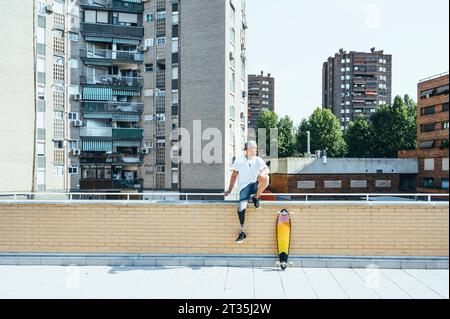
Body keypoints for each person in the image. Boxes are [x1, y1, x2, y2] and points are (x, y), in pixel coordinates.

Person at [224, 141, 270, 243]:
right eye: (255, 148)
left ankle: (256, 197)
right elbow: (234, 175)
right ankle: (242, 231)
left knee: (266, 177)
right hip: (244, 188)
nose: (256, 150)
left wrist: (262, 172)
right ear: (248, 149)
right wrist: (229, 190)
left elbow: (267, 169)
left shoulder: (258, 160)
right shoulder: (239, 160)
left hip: (254, 185)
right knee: (241, 208)